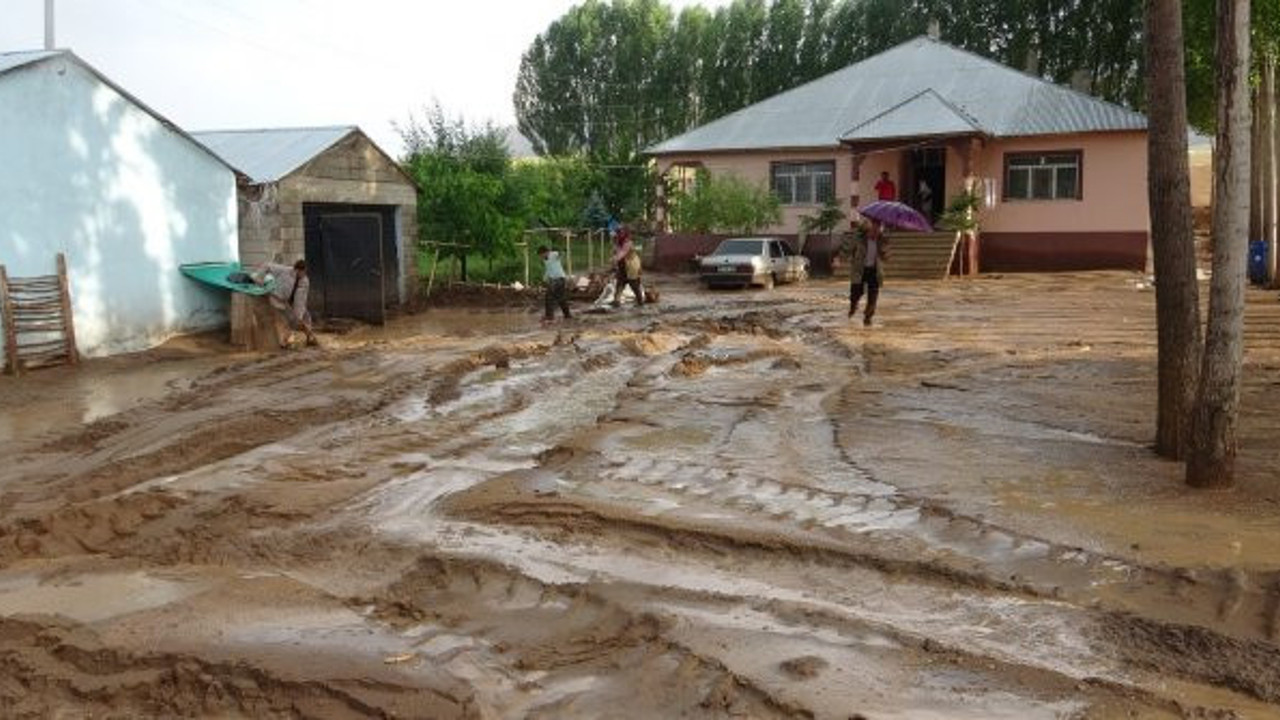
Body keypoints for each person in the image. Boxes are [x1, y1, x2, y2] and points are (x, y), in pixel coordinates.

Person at [261, 259, 317, 347]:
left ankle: (310, 337)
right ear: (298, 270)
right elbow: (267, 265)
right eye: (303, 272)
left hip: (294, 302)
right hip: (279, 300)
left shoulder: (305, 281)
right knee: (282, 321)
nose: (304, 274)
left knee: (305, 319)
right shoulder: (285, 270)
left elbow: (300, 301)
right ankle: (284, 342)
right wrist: (258, 277)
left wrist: (298, 315)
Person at [848, 219, 889, 327]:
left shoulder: (882, 240)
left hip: (875, 271)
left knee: (873, 296)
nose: (875, 233)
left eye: (878, 231)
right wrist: (838, 258)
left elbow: (886, 257)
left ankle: (868, 318)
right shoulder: (859, 239)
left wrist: (884, 253)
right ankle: (853, 305)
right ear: (868, 230)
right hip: (860, 269)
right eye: (873, 231)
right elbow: (848, 249)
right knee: (856, 293)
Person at [610, 226, 644, 308]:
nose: (619, 235)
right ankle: (616, 301)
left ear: (625, 234)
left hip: (631, 265)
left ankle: (640, 301)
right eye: (618, 233)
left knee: (634, 284)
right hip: (622, 265)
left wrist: (614, 258)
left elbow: (622, 253)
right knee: (620, 283)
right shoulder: (618, 242)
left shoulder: (628, 242)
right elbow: (615, 251)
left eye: (620, 233)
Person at [538, 245, 572, 324]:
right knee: (561, 298)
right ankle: (567, 315)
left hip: (559, 279)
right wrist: (544, 280)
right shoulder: (545, 260)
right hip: (555, 280)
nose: (541, 257)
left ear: (545, 252)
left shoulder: (553, 255)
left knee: (549, 296)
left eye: (541, 255)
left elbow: (560, 254)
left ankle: (549, 316)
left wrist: (560, 251)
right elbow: (548, 270)